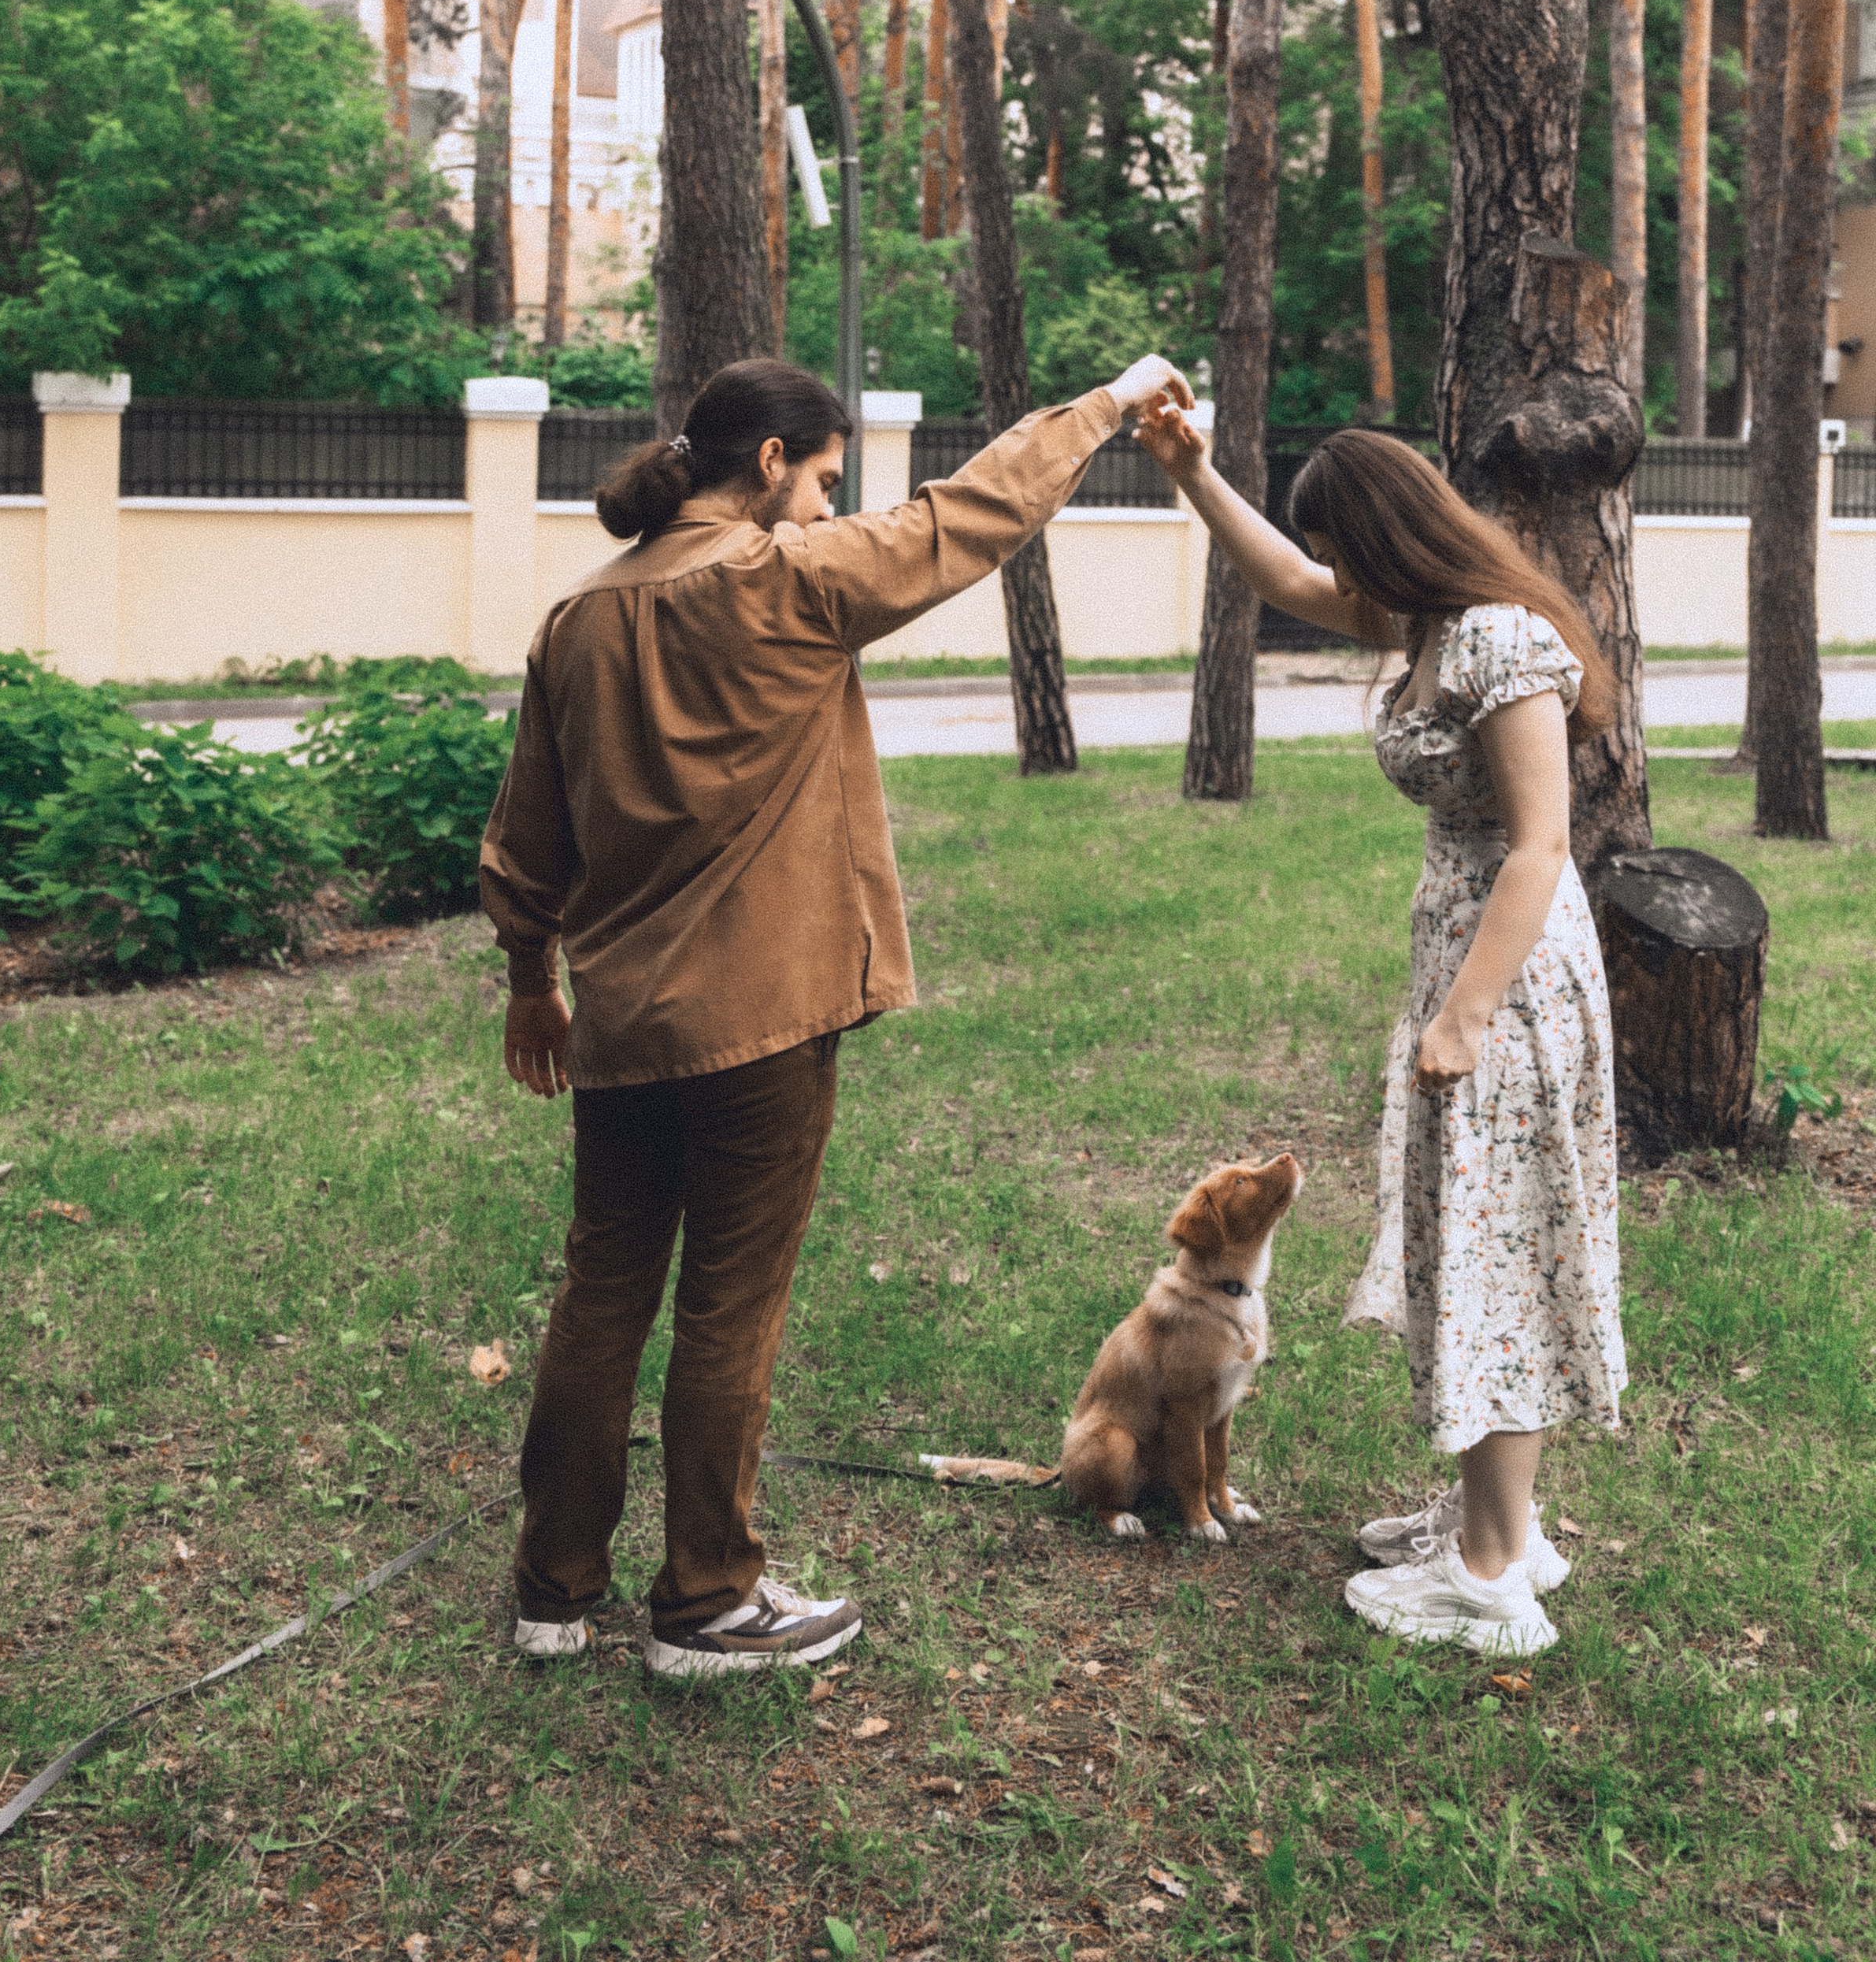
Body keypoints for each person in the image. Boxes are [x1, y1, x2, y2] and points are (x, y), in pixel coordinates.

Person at [483, 348, 1192, 1679]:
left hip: (620, 1027)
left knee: (602, 1296)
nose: (825, 505)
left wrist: (532, 981)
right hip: (759, 1029)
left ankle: (552, 1592)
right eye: (818, 479)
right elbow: (972, 514)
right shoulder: (787, 581)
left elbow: (527, 834)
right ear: (768, 465)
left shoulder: (576, 616)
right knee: (728, 1310)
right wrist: (1107, 402)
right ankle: (708, 1604)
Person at [1136, 411, 1626, 1660]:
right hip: (1466, 965)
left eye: (1342, 548)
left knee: (1499, 1262)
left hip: (1511, 985)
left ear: (1390, 538)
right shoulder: (1428, 625)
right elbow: (1289, 583)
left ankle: (1490, 1580)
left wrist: (1466, 1017)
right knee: (1473, 1253)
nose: (1331, 573)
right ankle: (1496, 1520)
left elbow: (1541, 844)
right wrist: (1197, 476)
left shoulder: (1499, 641)